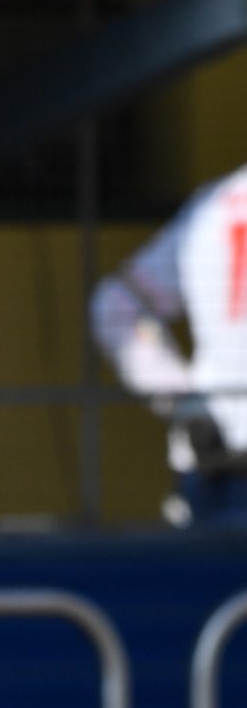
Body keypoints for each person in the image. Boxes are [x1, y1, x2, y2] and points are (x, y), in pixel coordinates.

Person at [91, 164, 247, 525]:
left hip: (212, 464)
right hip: (218, 472)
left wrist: (188, 406)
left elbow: (116, 306)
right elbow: (117, 307)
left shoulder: (217, 202)